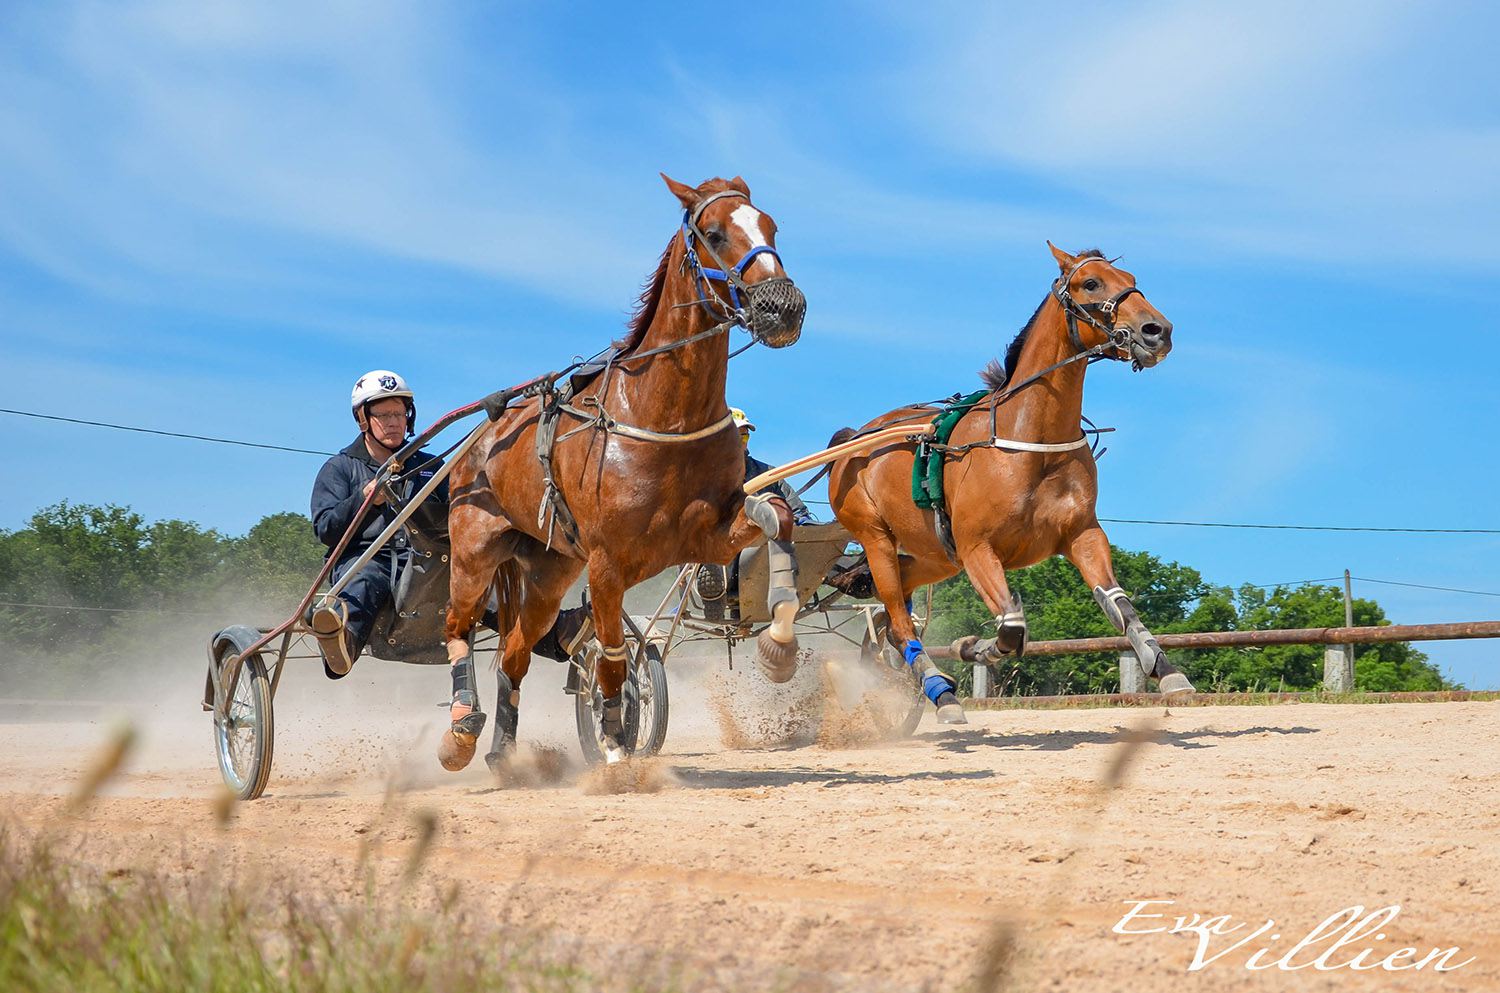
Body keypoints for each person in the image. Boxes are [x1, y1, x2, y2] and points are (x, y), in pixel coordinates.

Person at [309, 371, 587, 679]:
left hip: (428, 562)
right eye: (384, 414)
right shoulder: (340, 469)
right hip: (369, 560)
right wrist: (363, 500)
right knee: (364, 582)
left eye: (399, 414)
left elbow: (463, 516)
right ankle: (342, 644)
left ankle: (558, 633)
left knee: (482, 580)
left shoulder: (431, 468)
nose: (393, 422)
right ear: (363, 418)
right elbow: (325, 528)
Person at [733, 407, 816, 526]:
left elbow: (797, 511)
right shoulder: (707, 477)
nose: (741, 441)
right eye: (735, 436)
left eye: (744, 436)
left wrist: (801, 521)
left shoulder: (767, 473)